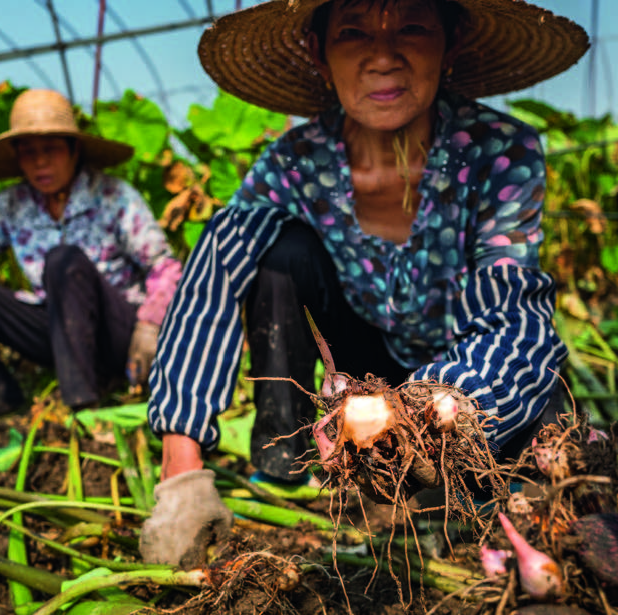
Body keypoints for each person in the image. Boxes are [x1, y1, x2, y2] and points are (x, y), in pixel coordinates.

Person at [139, 0, 589, 567]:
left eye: (413, 27)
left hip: (459, 369)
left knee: (539, 428)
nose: (382, 56)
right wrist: (181, 466)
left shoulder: (499, 151)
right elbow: (217, 270)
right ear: (318, 54)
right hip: (357, 364)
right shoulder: (295, 161)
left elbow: (513, 313)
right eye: (352, 31)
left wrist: (437, 410)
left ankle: (440, 452)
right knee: (276, 251)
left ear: (452, 43)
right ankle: (285, 457)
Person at [0, 88, 181, 417]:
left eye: (50, 149)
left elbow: (166, 266)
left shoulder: (114, 196)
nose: (40, 162)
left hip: (120, 333)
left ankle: (82, 406)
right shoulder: (14, 205)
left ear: (74, 150)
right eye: (28, 152)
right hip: (59, 332)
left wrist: (151, 324)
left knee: (63, 260)